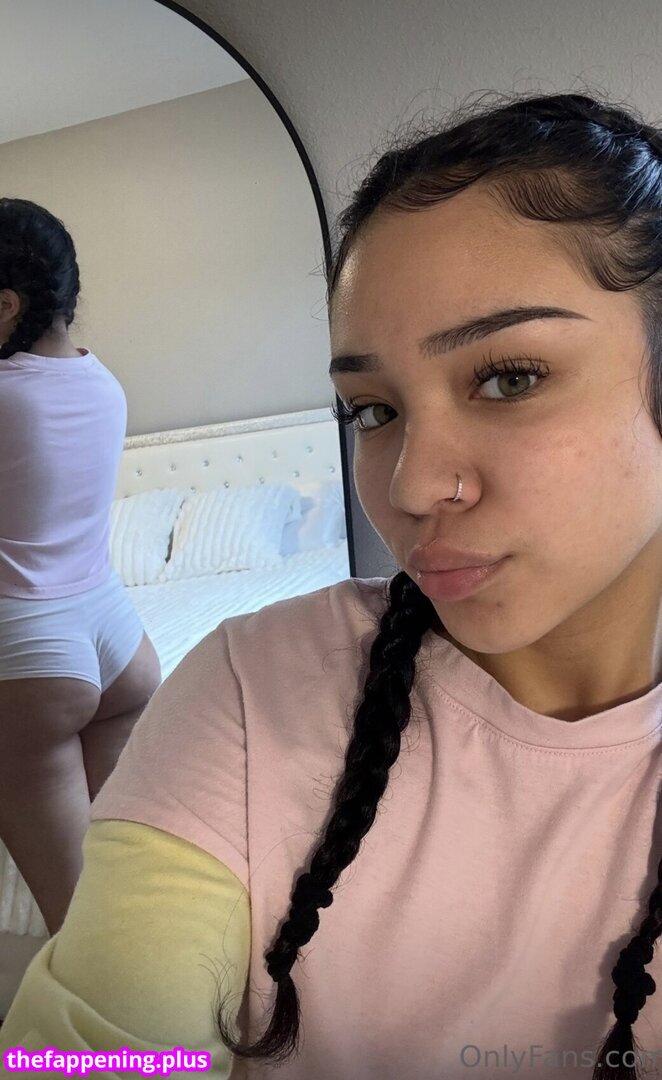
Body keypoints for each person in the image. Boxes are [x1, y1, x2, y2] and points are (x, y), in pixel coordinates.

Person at [1, 87, 662, 1080]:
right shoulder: (250, 687)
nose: (410, 487)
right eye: (370, 410)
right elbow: (102, 1045)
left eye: (509, 378)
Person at [0, 199, 161, 938]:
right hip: (118, 646)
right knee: (133, 889)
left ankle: (122, 1017)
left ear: (7, 305)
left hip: (31, 662)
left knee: (85, 928)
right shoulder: (103, 383)